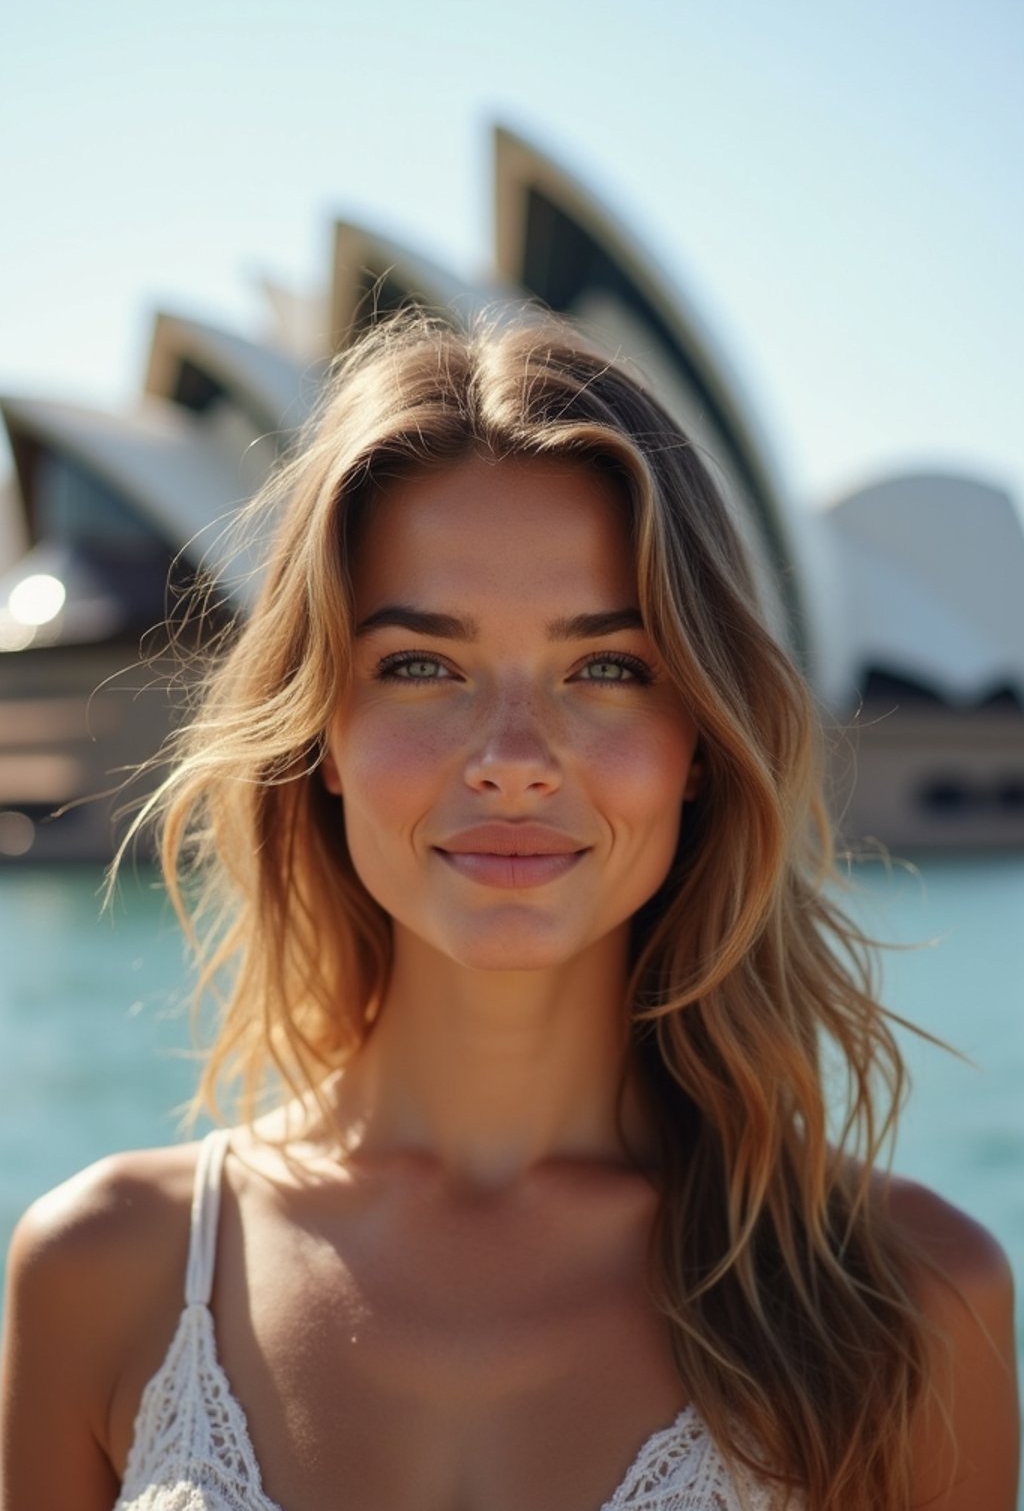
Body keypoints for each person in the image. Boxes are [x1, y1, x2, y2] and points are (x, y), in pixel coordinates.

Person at [0, 313, 1017, 1511]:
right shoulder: (106, 1267)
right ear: (323, 732)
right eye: (422, 666)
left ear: (698, 741)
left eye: (607, 668)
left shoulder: (908, 1293)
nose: (513, 759)